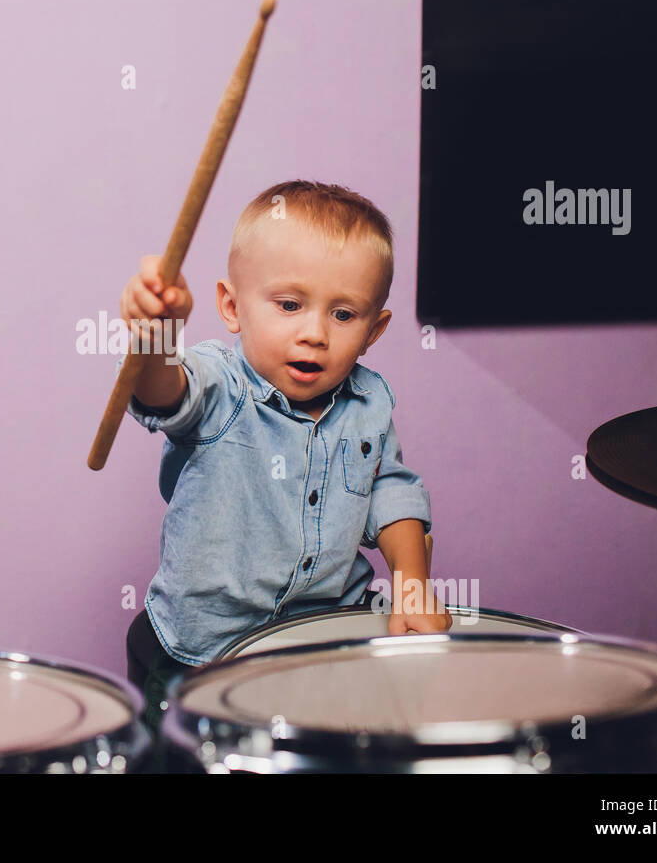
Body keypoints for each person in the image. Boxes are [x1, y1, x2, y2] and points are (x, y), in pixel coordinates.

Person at [118, 180, 451, 763]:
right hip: (198, 657)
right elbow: (164, 393)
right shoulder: (222, 385)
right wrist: (156, 336)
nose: (315, 333)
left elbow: (391, 492)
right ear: (231, 306)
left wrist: (412, 582)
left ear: (374, 330)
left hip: (320, 653)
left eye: (343, 313)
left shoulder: (369, 404)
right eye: (289, 304)